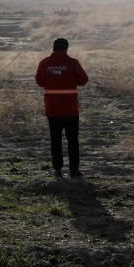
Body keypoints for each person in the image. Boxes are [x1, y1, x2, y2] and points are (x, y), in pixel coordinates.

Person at [35, 38, 89, 178]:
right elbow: (83, 80)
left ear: (53, 48)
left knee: (55, 140)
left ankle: (57, 170)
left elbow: (39, 82)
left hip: (52, 109)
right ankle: (74, 170)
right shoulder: (73, 63)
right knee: (72, 140)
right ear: (66, 49)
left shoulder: (44, 63)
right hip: (70, 109)